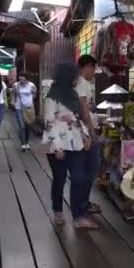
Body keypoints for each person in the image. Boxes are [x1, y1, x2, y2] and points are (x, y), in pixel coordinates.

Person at [42, 62, 94, 228]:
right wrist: (57, 146)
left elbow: (78, 119)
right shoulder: (52, 97)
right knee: (60, 179)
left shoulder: (73, 95)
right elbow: (49, 122)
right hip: (59, 144)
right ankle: (58, 210)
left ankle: (78, 216)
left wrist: (86, 136)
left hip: (76, 142)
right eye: (74, 75)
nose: (77, 78)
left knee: (79, 178)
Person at [76, 55, 102, 215]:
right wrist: (92, 132)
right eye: (94, 68)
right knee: (90, 169)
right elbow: (84, 110)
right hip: (85, 132)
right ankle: (82, 204)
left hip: (82, 131)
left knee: (87, 169)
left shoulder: (80, 83)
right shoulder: (82, 83)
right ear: (88, 66)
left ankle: (82, 202)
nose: (94, 73)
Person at [13, 72, 37, 150]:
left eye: (23, 77)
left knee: (28, 125)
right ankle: (23, 143)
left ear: (26, 78)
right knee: (22, 125)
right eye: (20, 77)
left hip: (28, 107)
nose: (21, 79)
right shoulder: (16, 85)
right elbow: (14, 95)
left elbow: (35, 95)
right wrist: (13, 101)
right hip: (19, 107)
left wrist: (31, 98)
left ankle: (27, 142)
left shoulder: (31, 85)